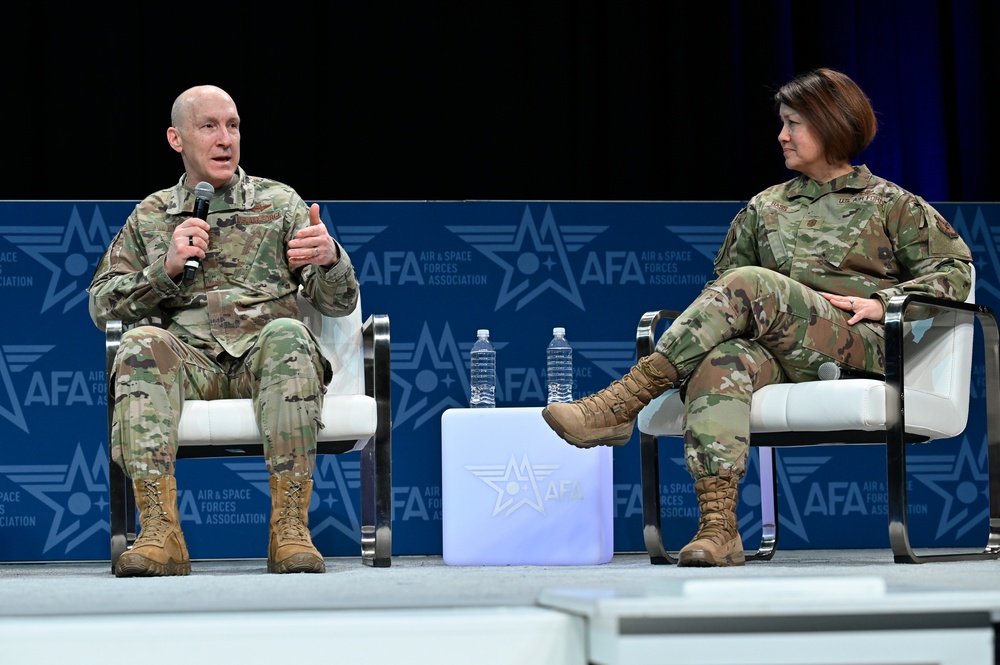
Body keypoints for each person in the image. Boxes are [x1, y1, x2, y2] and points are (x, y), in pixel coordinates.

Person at [541, 68, 973, 567]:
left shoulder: (891, 204)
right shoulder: (764, 207)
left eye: (794, 124)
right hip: (777, 352)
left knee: (751, 282)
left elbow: (954, 271)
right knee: (720, 360)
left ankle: (621, 403)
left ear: (832, 125)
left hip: (856, 346)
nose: (781, 135)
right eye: (782, 123)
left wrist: (887, 301)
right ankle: (719, 527)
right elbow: (721, 292)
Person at [88, 85, 359, 577]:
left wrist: (331, 259)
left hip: (265, 358)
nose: (225, 139)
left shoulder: (279, 203)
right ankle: (159, 533)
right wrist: (164, 269)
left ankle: (290, 530)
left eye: (232, 126)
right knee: (139, 344)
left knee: (289, 334)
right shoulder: (152, 215)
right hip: (189, 363)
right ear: (177, 138)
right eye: (209, 126)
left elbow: (339, 303)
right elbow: (101, 304)